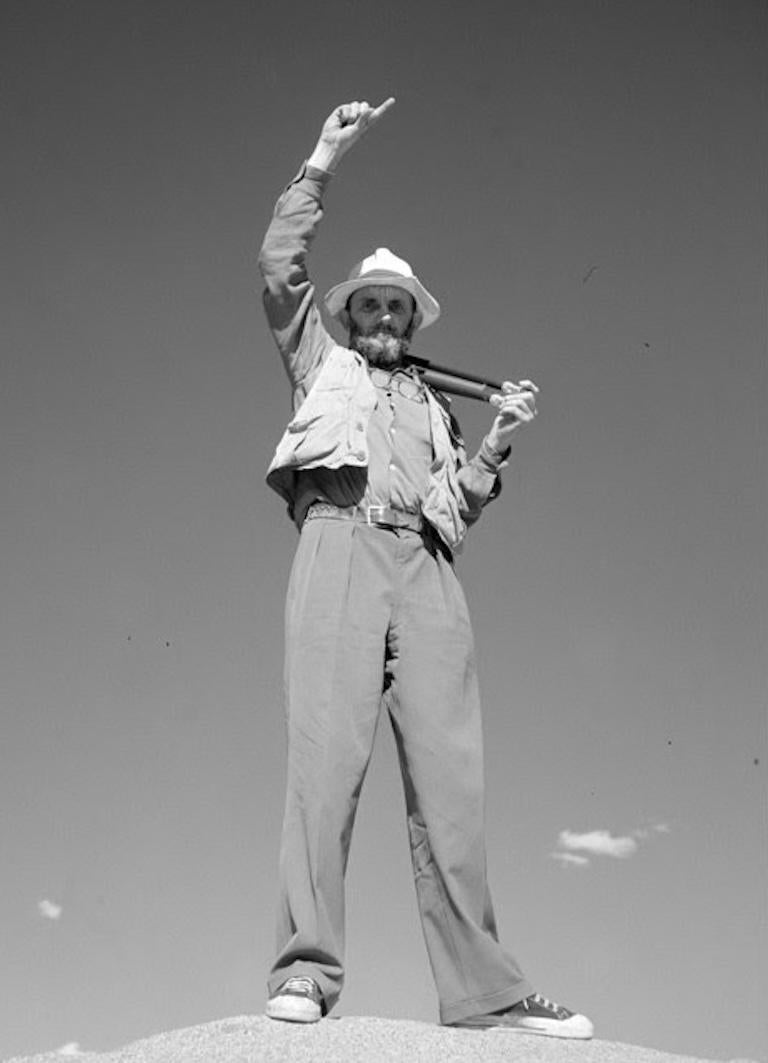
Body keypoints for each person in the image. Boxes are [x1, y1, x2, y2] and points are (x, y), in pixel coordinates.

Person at [257, 97, 593, 1040]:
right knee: (325, 767)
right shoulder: (321, 363)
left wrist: (497, 443)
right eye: (369, 302)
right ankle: (305, 970)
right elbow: (279, 270)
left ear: (410, 318)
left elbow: (462, 507)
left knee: (454, 785)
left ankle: (486, 990)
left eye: (395, 305)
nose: (382, 314)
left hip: (429, 573)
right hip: (340, 546)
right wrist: (322, 157)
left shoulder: (436, 408)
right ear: (350, 314)